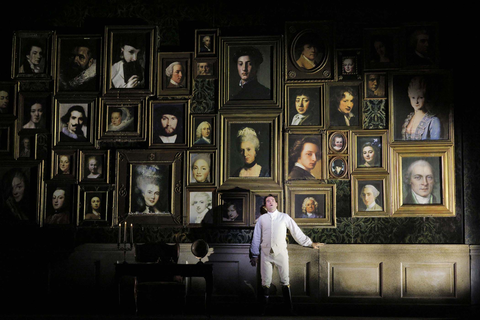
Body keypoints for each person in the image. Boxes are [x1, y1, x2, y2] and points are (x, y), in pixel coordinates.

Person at [250, 195, 323, 315]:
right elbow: (256, 238)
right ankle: (263, 310)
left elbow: (296, 232)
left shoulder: (284, 217)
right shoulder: (261, 219)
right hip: (265, 254)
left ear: (277, 204)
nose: (271, 202)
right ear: (265, 206)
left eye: (272, 200)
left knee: (285, 280)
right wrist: (254, 254)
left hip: (281, 254)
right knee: (265, 282)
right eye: (268, 201)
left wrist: (309, 243)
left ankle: (289, 309)